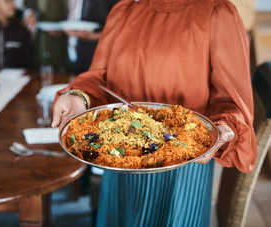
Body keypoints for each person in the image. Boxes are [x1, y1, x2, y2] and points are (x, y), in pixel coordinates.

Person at [51, 0, 257, 226]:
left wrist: (224, 128)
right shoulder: (123, 11)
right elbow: (99, 78)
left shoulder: (217, 13)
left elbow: (231, 101)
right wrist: (79, 96)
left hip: (183, 168)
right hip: (121, 161)